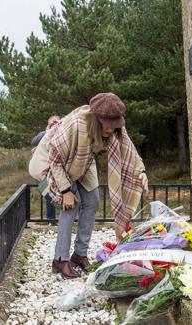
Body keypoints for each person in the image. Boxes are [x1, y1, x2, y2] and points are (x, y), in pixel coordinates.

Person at [47, 92, 148, 278]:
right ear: (96, 119)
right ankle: (59, 260)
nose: (111, 131)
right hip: (62, 165)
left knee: (93, 201)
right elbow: (54, 159)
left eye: (115, 125)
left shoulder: (115, 128)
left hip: (84, 163)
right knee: (71, 206)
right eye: (108, 126)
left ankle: (79, 254)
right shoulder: (76, 125)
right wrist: (66, 190)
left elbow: (129, 150)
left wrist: (140, 172)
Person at [31, 117, 60, 226]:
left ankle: (58, 219)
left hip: (55, 171)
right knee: (48, 195)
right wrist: (45, 133)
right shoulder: (44, 134)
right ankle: (50, 220)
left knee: (58, 196)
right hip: (42, 173)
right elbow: (33, 142)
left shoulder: (61, 134)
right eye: (52, 124)